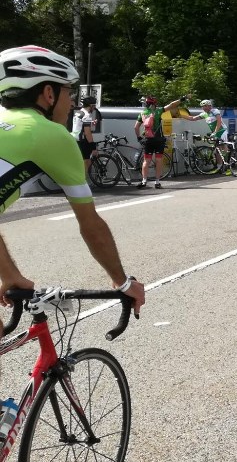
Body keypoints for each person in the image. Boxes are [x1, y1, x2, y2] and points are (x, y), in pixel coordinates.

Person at [0, 45, 146, 319]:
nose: (72, 103)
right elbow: (91, 225)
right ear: (48, 93)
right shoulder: (51, 134)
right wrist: (123, 282)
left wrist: (9, 274)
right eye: (69, 92)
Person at [135, 94, 187, 188]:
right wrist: (181, 99)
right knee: (159, 160)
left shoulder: (143, 113)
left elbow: (136, 127)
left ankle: (144, 181)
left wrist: (139, 138)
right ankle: (157, 182)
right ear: (155, 103)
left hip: (148, 139)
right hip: (159, 140)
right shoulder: (159, 111)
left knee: (146, 161)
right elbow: (171, 105)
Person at [180, 99, 229, 174]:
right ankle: (220, 167)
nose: (204, 108)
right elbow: (192, 118)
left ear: (210, 106)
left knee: (223, 148)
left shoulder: (215, 111)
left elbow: (219, 121)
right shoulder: (204, 114)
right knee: (217, 151)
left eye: (206, 106)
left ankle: (228, 165)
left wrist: (215, 132)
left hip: (222, 131)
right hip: (215, 133)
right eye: (203, 107)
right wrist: (180, 115)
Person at [72, 95, 101, 177]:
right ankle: (81, 181)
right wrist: (93, 147)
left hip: (75, 139)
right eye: (94, 106)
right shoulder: (87, 115)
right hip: (83, 141)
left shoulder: (79, 112)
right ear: (91, 105)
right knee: (87, 162)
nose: (94, 108)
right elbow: (87, 133)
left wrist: (91, 123)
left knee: (79, 162)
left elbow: (79, 125)